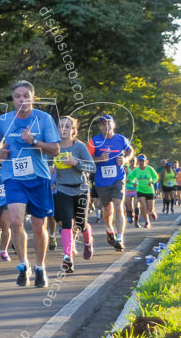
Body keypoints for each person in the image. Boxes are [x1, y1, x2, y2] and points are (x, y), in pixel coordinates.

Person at [0, 81, 61, 288]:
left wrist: (34, 141)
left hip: (38, 178)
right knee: (15, 221)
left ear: (33, 97)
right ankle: (23, 264)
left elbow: (56, 149)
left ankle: (40, 267)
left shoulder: (44, 119)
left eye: (26, 96)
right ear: (13, 99)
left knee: (39, 226)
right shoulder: (4, 120)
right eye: (17, 96)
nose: (22, 99)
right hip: (13, 177)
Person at [52, 116, 95, 273]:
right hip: (63, 189)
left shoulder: (80, 147)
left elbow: (92, 168)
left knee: (81, 223)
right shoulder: (54, 148)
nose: (63, 129)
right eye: (60, 126)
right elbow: (47, 166)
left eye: (67, 126)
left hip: (81, 189)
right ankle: (67, 257)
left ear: (73, 131)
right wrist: (50, 175)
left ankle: (87, 241)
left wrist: (76, 163)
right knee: (66, 223)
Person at [90, 114, 133, 251]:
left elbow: (130, 150)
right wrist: (98, 158)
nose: (106, 125)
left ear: (113, 125)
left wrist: (125, 160)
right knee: (107, 211)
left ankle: (120, 238)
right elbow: (86, 159)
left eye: (109, 123)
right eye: (103, 123)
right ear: (100, 126)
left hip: (118, 178)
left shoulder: (121, 139)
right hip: (101, 181)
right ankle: (109, 230)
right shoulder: (94, 141)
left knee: (119, 206)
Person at [128, 154, 158, 228]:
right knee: (143, 206)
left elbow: (156, 177)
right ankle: (147, 221)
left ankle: (153, 212)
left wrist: (152, 182)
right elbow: (131, 178)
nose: (141, 162)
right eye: (140, 161)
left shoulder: (149, 169)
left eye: (143, 161)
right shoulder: (136, 170)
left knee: (150, 208)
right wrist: (133, 183)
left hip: (149, 190)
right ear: (138, 162)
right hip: (140, 189)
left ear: (146, 161)